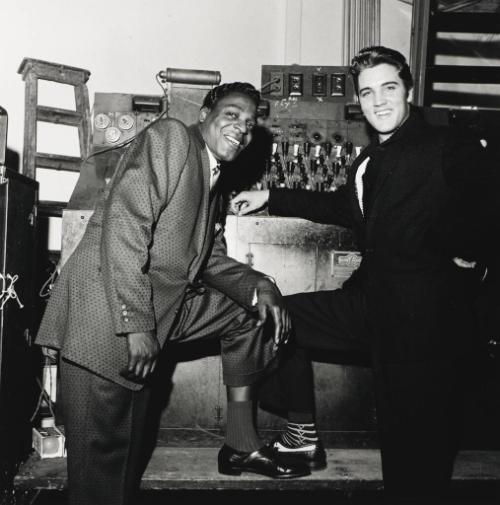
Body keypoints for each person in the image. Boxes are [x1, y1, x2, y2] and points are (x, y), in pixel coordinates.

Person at [231, 47, 495, 501]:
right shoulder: (372, 157)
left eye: (389, 88)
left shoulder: (446, 146)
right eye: (368, 92)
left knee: (414, 454)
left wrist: (474, 257)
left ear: (409, 91)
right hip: (370, 304)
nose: (379, 101)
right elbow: (343, 208)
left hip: (422, 324)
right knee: (277, 318)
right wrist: (270, 196)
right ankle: (302, 432)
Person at [36, 82, 310, 505]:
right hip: (106, 316)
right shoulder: (172, 138)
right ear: (205, 113)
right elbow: (127, 223)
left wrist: (261, 286)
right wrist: (136, 324)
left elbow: (210, 262)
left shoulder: (213, 181)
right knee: (102, 473)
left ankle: (240, 442)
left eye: (250, 124)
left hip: (158, 313)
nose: (242, 127)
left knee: (250, 312)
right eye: (232, 114)